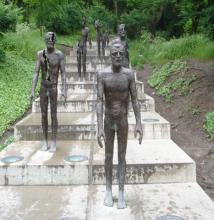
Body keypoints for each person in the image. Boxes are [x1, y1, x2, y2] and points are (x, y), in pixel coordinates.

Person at [97, 39, 143, 209]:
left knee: (122, 157)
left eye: (120, 54)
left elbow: (135, 100)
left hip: (123, 120)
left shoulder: (129, 75)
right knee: (108, 156)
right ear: (109, 55)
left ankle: (121, 192)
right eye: (114, 54)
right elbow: (98, 101)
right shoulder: (102, 74)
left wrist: (139, 122)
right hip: (108, 119)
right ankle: (108, 190)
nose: (117, 56)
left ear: (124, 55)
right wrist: (99, 127)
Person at [30, 32, 66, 152]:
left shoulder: (59, 55)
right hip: (43, 87)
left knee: (53, 115)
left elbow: (63, 73)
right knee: (44, 115)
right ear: (45, 40)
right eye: (48, 39)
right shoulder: (40, 54)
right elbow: (36, 72)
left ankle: (54, 142)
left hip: (54, 88)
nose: (50, 40)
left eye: (52, 38)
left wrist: (64, 89)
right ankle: (45, 141)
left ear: (55, 40)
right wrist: (32, 90)